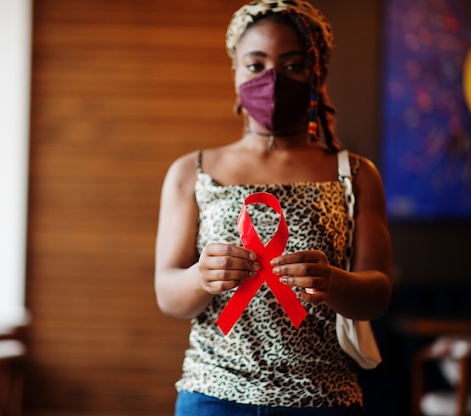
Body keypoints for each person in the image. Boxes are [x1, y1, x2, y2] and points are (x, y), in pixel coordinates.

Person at [154, 1, 393, 415]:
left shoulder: (356, 174)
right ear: (235, 74)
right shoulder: (190, 172)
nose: (273, 80)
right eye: (256, 64)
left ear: (317, 73)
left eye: (292, 65)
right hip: (213, 394)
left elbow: (378, 292)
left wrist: (333, 282)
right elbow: (167, 293)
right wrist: (200, 278)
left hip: (323, 398)